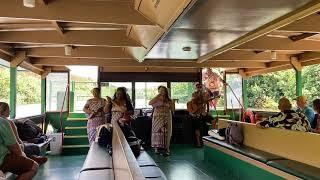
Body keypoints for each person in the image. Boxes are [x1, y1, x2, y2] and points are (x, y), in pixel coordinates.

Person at [0, 102, 39, 180]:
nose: (10, 111)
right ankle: (32, 159)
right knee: (34, 152)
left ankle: (32, 158)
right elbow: (15, 146)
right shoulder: (5, 122)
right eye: (8, 109)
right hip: (3, 159)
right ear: (4, 111)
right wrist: (22, 152)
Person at [149, 86, 174, 155]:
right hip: (157, 118)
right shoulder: (156, 99)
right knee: (156, 132)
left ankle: (167, 148)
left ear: (166, 91)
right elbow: (150, 103)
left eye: (163, 90)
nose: (161, 92)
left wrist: (168, 105)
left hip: (166, 117)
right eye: (160, 90)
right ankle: (156, 148)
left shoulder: (169, 100)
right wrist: (157, 96)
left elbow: (172, 109)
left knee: (167, 132)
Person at [187, 83, 210, 147]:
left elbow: (207, 101)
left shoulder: (205, 94)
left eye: (200, 87)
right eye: (198, 87)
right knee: (198, 128)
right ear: (196, 88)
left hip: (203, 114)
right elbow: (193, 101)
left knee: (212, 121)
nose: (199, 88)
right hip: (197, 114)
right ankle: (198, 142)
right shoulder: (194, 94)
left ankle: (210, 139)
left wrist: (207, 111)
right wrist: (199, 95)